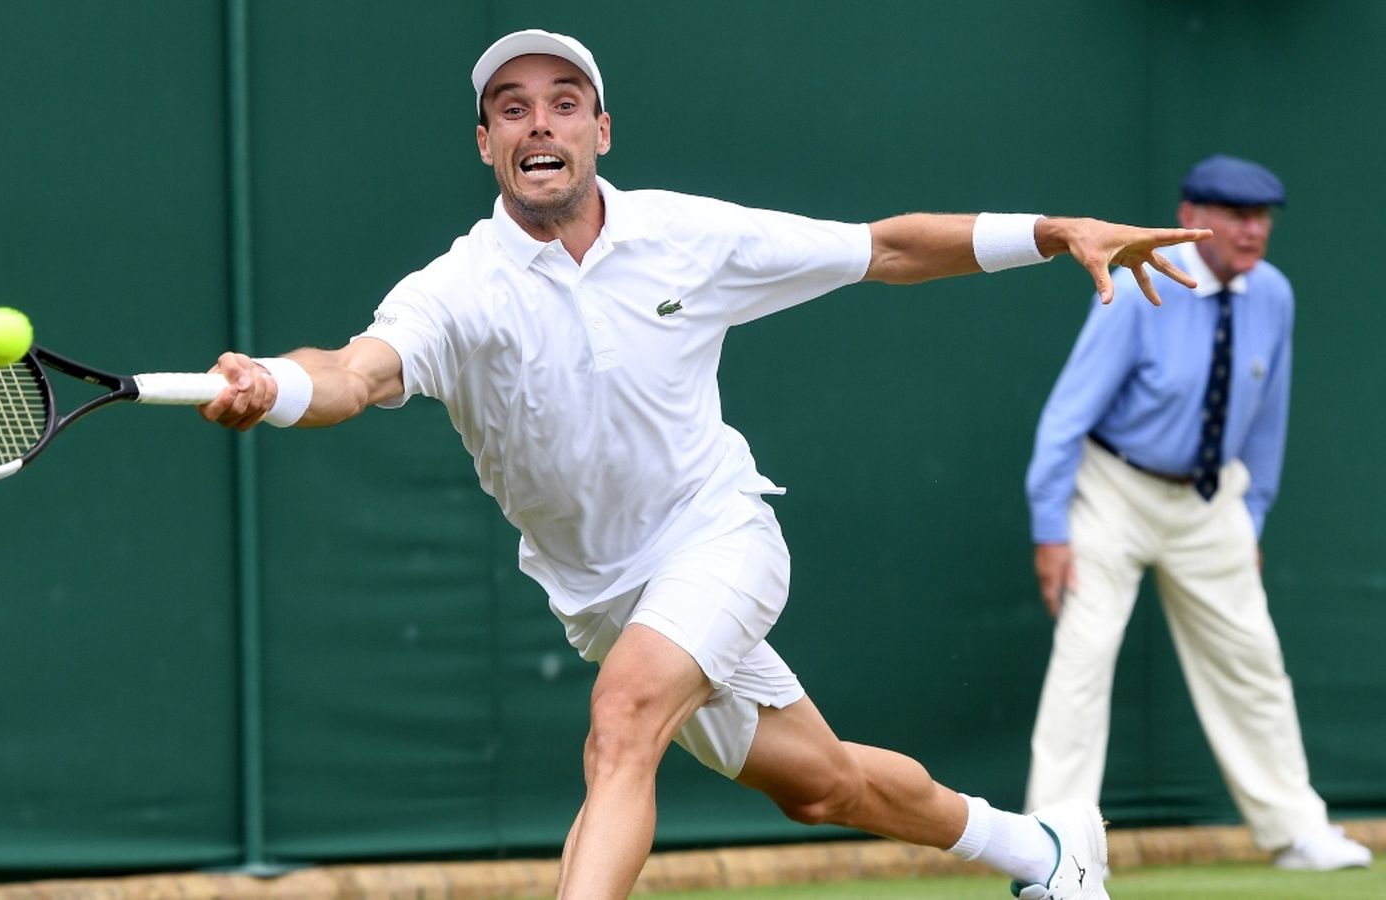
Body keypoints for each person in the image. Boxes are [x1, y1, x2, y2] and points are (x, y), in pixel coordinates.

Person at [201, 28, 1211, 900]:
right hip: (600, 595)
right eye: (512, 110)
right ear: (486, 144)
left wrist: (1053, 234)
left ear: (602, 131)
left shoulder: (685, 235)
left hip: (716, 535)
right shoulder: (458, 288)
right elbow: (353, 372)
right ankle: (1043, 850)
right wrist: (275, 389)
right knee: (819, 785)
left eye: (564, 104)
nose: (538, 124)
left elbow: (884, 250)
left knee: (623, 721)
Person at [1023, 155, 1372, 872]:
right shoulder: (1135, 284)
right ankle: (1055, 847)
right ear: (1190, 218)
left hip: (1214, 501)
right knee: (1083, 663)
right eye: (1238, 217)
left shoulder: (1274, 296)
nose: (1254, 232)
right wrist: (1051, 527)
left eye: (1263, 218)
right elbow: (1066, 415)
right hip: (1113, 492)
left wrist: (1256, 517)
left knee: (1254, 662)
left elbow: (1268, 418)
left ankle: (1296, 831)